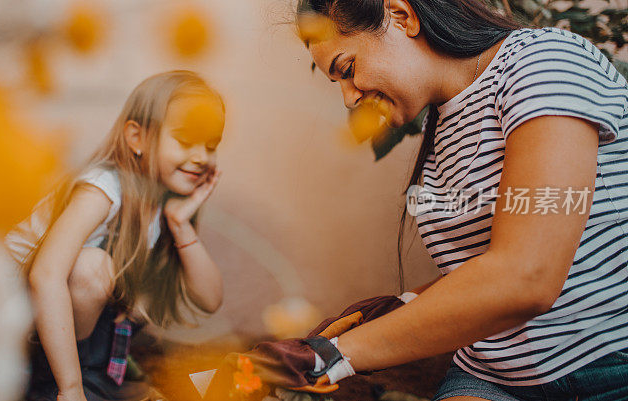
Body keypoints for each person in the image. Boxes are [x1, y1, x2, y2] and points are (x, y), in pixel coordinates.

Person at [206, 1, 628, 400]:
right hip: (493, 375)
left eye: (348, 69)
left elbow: (527, 277)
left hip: (606, 364)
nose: (349, 98)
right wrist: (401, 306)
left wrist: (332, 357)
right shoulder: (442, 126)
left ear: (400, 15)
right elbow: (484, 264)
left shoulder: (544, 63)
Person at [5, 70, 226, 401]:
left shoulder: (163, 202)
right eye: (184, 141)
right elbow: (45, 276)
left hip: (77, 337)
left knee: (133, 292)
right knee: (92, 268)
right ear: (136, 138)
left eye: (211, 146)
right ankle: (57, 385)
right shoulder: (103, 187)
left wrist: (180, 224)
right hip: (12, 316)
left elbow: (210, 299)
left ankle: (96, 379)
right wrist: (71, 389)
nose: (201, 158)